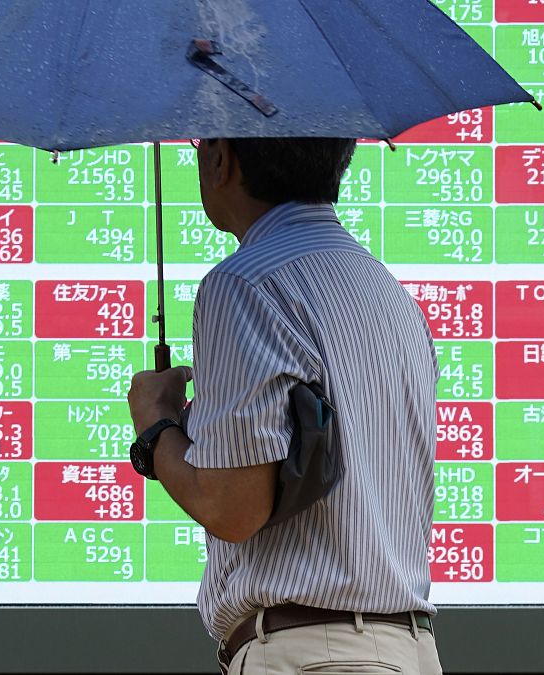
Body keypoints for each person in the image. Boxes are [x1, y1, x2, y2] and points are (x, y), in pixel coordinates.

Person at [126, 137, 442, 674]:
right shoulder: (387, 291)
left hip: (313, 655)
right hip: (405, 651)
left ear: (221, 158)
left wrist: (156, 427)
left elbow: (234, 507)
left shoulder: (244, 282)